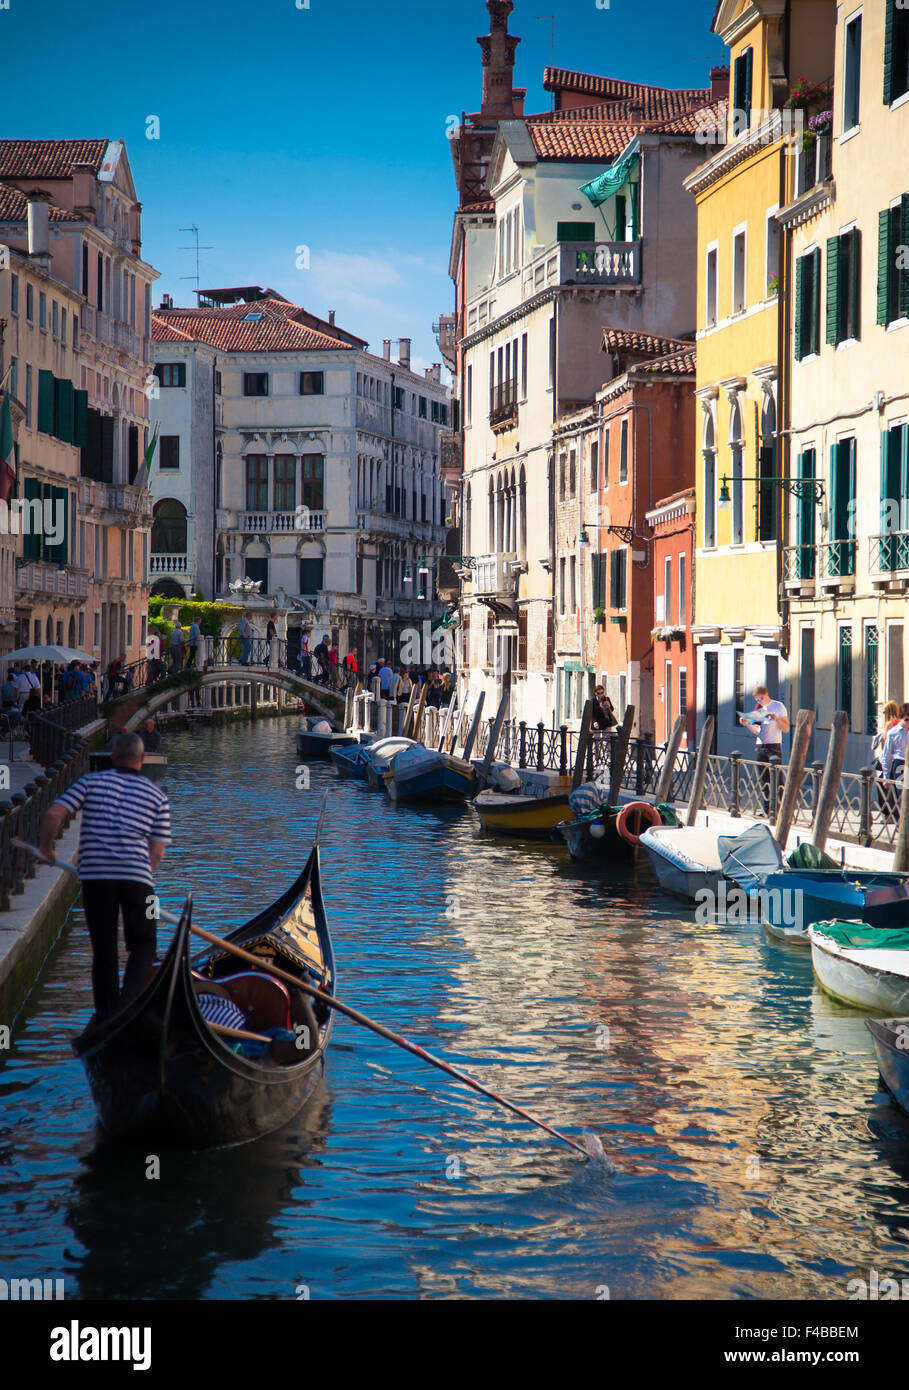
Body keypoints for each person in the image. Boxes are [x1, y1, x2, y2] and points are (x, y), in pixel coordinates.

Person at [38, 731, 171, 1022]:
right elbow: (157, 854)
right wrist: (142, 876)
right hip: (138, 881)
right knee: (144, 946)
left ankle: (107, 1014)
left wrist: (47, 849)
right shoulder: (157, 795)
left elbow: (53, 815)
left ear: (112, 757)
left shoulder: (91, 781)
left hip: (95, 878)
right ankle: (128, 1009)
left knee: (104, 947)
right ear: (143, 759)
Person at [739, 684, 790, 816]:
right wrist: (746, 724)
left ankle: (781, 810)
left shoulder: (778, 706)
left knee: (777, 779)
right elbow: (757, 731)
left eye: (760, 699)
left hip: (774, 746)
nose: (759, 702)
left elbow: (786, 729)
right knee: (764, 780)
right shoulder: (759, 709)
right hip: (760, 746)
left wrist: (776, 719)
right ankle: (767, 810)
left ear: (766, 694)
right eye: (756, 700)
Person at [872, 700, 900, 771]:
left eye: (884, 712)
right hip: (899, 756)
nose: (884, 714)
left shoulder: (889, 724)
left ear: (888, 712)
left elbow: (885, 741)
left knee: (884, 779)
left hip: (890, 757)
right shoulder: (901, 723)